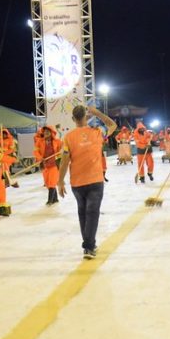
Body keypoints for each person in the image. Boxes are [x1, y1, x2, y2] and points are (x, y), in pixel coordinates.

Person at [57, 106, 117, 260]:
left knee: (83, 213)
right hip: (95, 180)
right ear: (87, 117)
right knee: (92, 213)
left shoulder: (68, 137)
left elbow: (64, 161)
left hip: (77, 182)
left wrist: (60, 181)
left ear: (73, 119)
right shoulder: (97, 132)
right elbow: (112, 125)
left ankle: (89, 244)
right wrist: (97, 113)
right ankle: (89, 247)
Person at [34, 126, 62, 206]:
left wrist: (61, 152)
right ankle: (55, 199)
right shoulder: (39, 141)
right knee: (47, 183)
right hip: (44, 165)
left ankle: (49, 201)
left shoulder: (57, 141)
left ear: (52, 133)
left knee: (52, 182)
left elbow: (63, 149)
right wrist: (40, 158)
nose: (46, 133)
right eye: (45, 132)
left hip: (54, 164)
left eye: (48, 132)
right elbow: (35, 152)